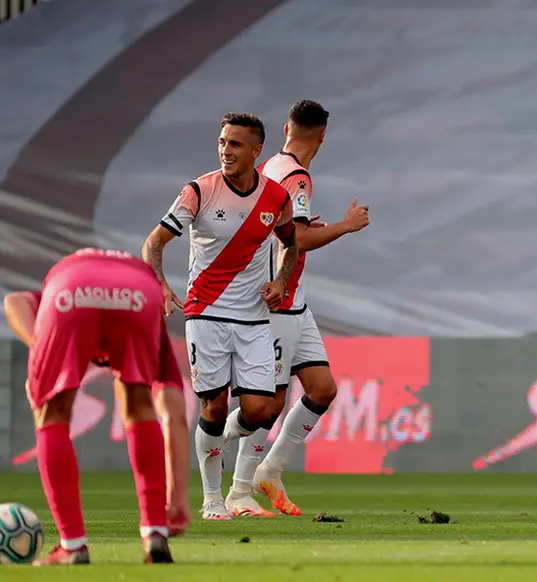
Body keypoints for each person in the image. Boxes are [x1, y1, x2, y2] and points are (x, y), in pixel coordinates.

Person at [142, 112, 299, 521]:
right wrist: (159, 284)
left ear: (256, 150)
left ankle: (218, 441)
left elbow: (290, 245)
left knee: (261, 411)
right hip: (206, 314)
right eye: (222, 142)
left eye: (235, 144)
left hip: (253, 318)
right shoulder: (200, 190)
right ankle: (213, 499)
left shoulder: (276, 198)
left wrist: (281, 279)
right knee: (212, 407)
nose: (225, 150)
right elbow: (154, 243)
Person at [225, 100, 370, 517]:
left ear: (288, 127)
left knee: (322, 390)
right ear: (323, 135)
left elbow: (282, 229)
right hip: (276, 301)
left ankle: (270, 470)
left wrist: (303, 229)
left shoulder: (272, 166)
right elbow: (299, 241)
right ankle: (234, 485)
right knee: (268, 403)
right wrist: (345, 226)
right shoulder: (297, 177)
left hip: (294, 301)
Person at [2, 247, 191, 565]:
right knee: (140, 406)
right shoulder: (137, 292)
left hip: (72, 287)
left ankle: (73, 545)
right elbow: (172, 409)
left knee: (52, 414)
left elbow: (13, 301)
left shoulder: (53, 288)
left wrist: (43, 350)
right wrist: (178, 497)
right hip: (141, 293)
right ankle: (155, 532)